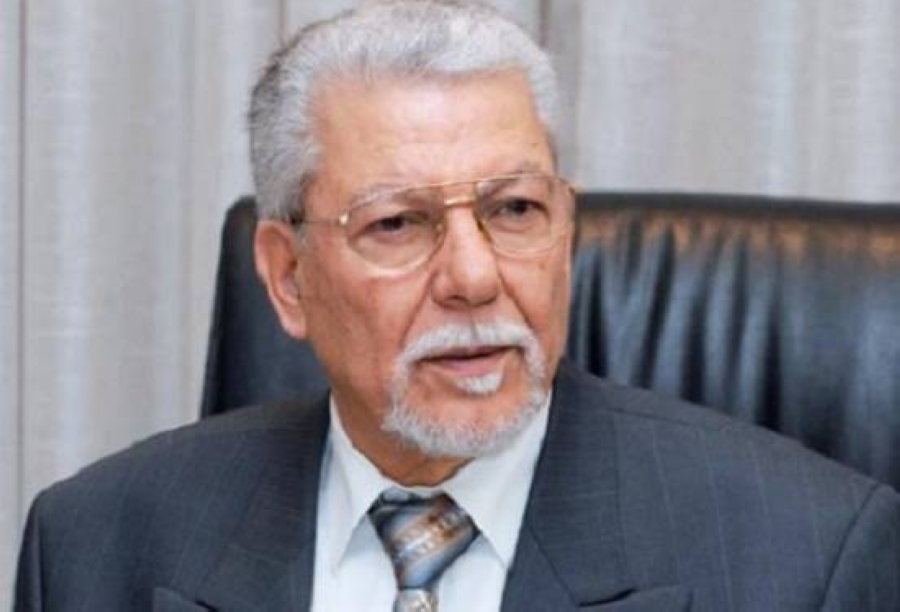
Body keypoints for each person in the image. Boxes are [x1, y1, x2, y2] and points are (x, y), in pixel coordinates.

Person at [14, 1, 900, 610]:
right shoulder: (97, 547)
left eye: (514, 210)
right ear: (288, 278)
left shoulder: (805, 558)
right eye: (397, 223)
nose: (475, 277)